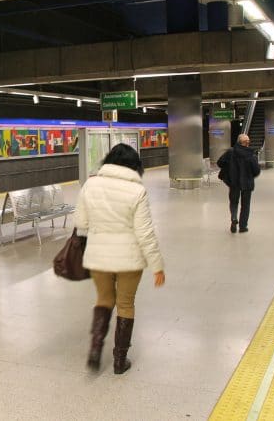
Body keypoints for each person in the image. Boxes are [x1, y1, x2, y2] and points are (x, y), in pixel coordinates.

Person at [73, 143, 166, 374]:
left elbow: (81, 224)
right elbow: (144, 233)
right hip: (129, 259)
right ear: (135, 165)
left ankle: (95, 350)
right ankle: (119, 360)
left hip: (98, 257)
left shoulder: (90, 184)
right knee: (125, 304)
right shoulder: (137, 191)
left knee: (104, 300)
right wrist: (157, 266)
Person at [217, 134, 261, 233]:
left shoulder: (231, 152)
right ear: (244, 143)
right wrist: (250, 176)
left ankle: (233, 218)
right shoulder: (251, 154)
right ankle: (243, 226)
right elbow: (257, 171)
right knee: (245, 205)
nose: (248, 143)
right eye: (247, 141)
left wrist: (229, 169)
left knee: (234, 202)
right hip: (247, 183)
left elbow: (219, 163)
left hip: (233, 182)